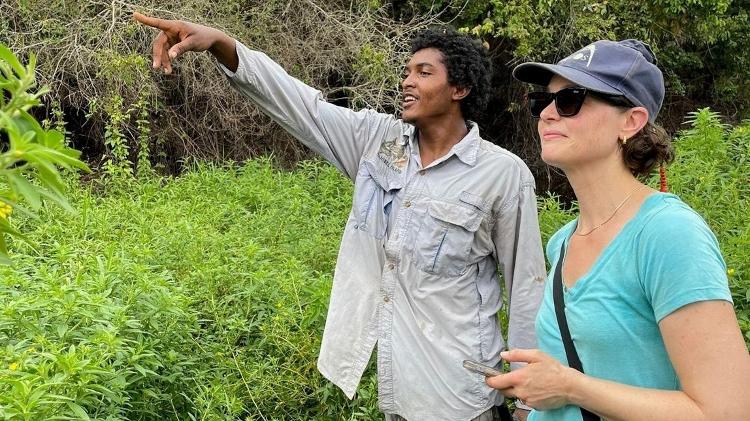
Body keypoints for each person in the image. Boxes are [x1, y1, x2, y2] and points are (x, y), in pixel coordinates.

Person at [133, 12, 548, 421]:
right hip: (398, 389)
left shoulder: (502, 175)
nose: (406, 82)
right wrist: (222, 43)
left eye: (423, 73)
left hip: (461, 394)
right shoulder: (376, 142)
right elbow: (299, 105)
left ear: (459, 88)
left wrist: (528, 401)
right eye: (407, 72)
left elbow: (526, 285)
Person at [484, 39, 750, 420]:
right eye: (543, 102)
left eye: (570, 100)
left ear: (631, 121)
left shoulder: (667, 233)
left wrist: (571, 386)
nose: (547, 115)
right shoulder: (563, 241)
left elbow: (727, 411)